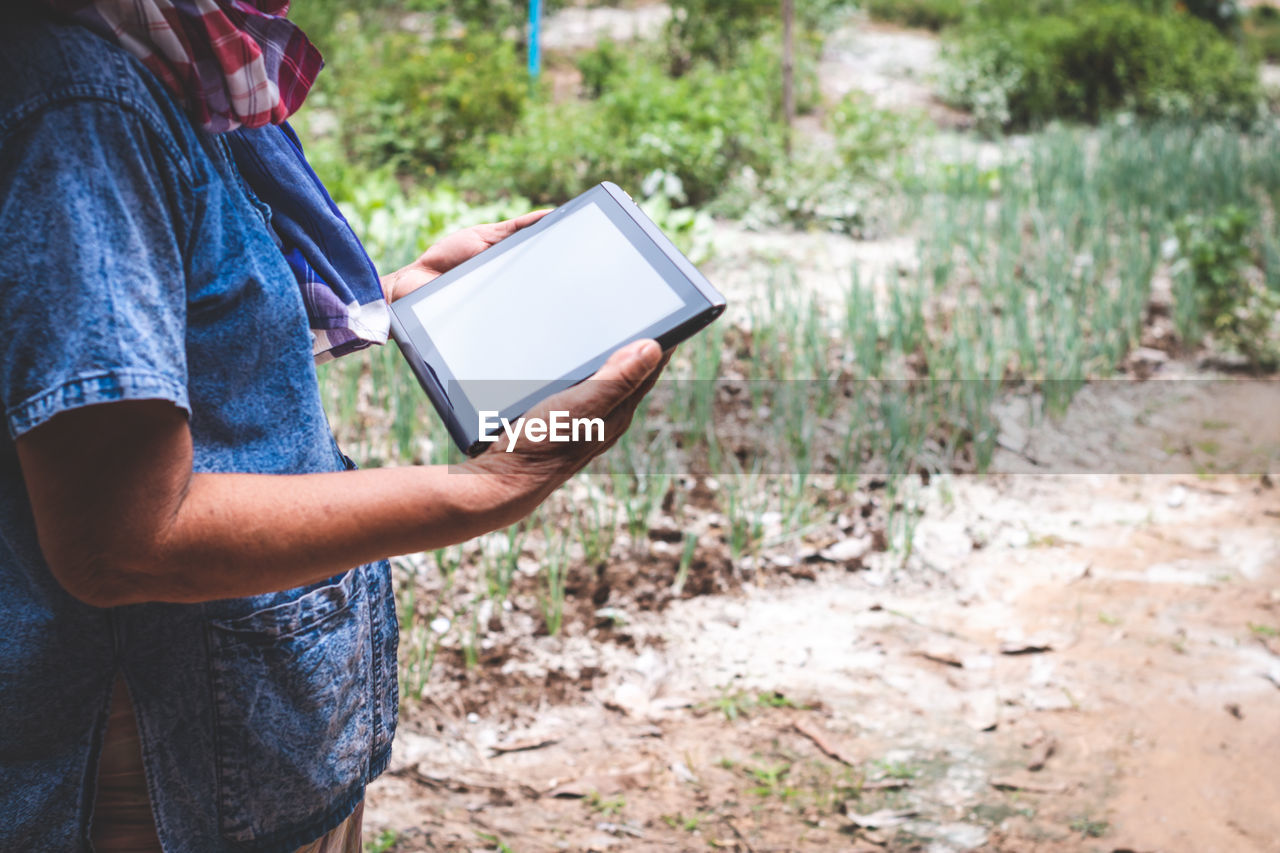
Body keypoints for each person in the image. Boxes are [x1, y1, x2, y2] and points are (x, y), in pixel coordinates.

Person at [0, 2, 666, 851]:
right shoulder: (80, 106)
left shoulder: (161, 57)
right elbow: (122, 539)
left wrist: (401, 290)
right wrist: (488, 489)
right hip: (166, 776)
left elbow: (168, 339)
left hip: (237, 744)